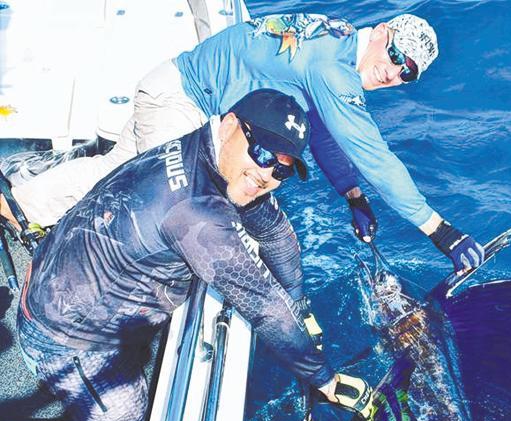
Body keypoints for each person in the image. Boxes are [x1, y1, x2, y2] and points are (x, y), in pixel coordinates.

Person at [0, 89, 373, 421]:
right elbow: (263, 306)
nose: (267, 175)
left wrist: (298, 305)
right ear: (231, 125)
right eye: (264, 155)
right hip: (69, 336)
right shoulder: (195, 212)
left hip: (79, 283)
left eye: (281, 171)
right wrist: (325, 380)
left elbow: (277, 234)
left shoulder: (213, 158)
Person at [1, 12, 484, 275]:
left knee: (117, 169)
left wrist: (353, 196)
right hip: (183, 103)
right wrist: (440, 231)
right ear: (381, 32)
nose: (395, 71)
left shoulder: (338, 45)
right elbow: (373, 152)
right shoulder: (333, 71)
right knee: (170, 204)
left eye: (408, 73)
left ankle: (15, 203)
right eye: (396, 54)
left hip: (176, 87)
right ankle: (86, 273)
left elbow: (325, 133)